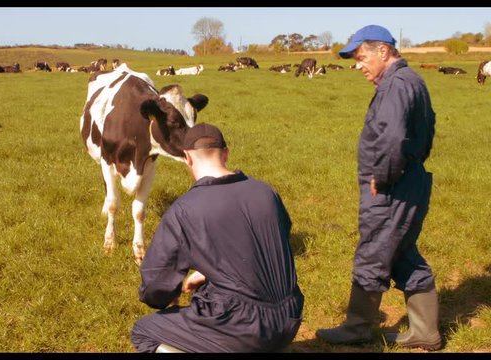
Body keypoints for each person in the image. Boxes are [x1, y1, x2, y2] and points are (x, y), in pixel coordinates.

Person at [315, 24, 441, 350]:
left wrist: (382, 176)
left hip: (391, 187)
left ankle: (356, 328)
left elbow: (394, 136)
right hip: (409, 180)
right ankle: (425, 332)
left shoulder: (396, 84)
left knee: (373, 251)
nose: (358, 65)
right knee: (401, 253)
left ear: (382, 51)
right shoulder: (412, 80)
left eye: (361, 57)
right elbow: (428, 128)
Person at [130, 123, 304, 353]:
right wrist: (207, 272)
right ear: (226, 153)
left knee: (144, 331)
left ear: (188, 159)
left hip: (243, 329)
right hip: (290, 316)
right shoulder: (266, 191)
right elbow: (272, 242)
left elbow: (155, 287)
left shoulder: (184, 210)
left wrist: (167, 295)